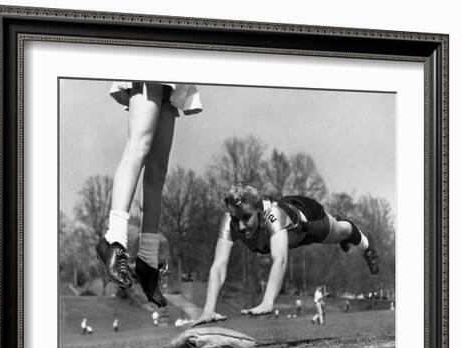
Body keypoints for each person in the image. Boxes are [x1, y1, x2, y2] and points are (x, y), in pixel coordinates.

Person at [193, 182, 379, 326]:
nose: (240, 226)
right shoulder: (229, 221)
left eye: (246, 217)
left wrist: (267, 301)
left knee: (342, 231)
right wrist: (208, 309)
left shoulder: (274, 216)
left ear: (259, 210)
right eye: (236, 219)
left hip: (308, 223)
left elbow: (280, 260)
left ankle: (365, 242)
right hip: (288, 235)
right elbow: (219, 266)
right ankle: (347, 234)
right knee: (339, 234)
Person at [95, 82, 202, 307]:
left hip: (174, 66)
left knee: (158, 169)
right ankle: (114, 240)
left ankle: (147, 259)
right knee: (139, 146)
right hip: (150, 59)